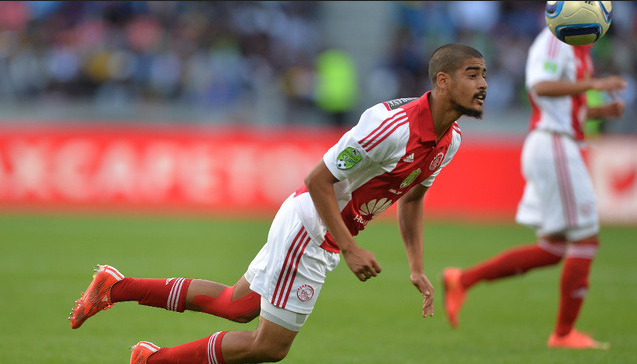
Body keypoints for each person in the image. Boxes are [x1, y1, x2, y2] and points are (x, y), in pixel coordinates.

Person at [69, 43, 488, 364]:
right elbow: (318, 180)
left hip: (322, 231)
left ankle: (114, 287)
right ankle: (153, 360)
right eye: (473, 75)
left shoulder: (449, 141)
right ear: (443, 81)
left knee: (237, 305)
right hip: (312, 227)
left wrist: (415, 266)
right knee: (269, 346)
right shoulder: (390, 126)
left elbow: (412, 199)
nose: (484, 84)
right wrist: (349, 246)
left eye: (485, 75)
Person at [442, 27, 626, 350]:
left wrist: (599, 111)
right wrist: (594, 85)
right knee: (586, 238)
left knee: (553, 249)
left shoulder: (578, 50)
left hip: (555, 141)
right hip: (554, 145)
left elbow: (565, 111)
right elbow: (540, 87)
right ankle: (564, 334)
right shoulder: (556, 40)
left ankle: (462, 280)